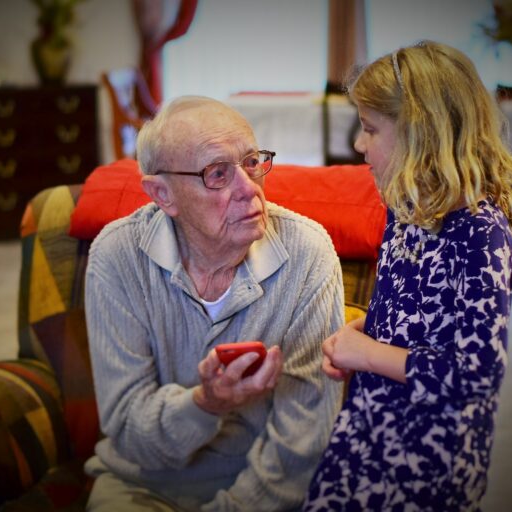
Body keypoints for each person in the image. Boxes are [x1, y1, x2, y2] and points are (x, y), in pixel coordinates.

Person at [84, 95, 345, 511]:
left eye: (252, 162)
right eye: (218, 173)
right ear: (163, 195)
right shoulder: (117, 255)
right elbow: (129, 430)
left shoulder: (307, 253)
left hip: (261, 493)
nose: (249, 188)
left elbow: (303, 441)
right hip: (141, 487)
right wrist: (205, 405)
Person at [303, 40, 512, 511]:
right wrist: (359, 331)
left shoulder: (479, 235)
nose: (357, 144)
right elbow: (407, 319)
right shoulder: (404, 210)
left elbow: (474, 377)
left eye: (369, 129)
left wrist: (367, 355)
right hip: (366, 430)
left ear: (419, 134)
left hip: (428, 459)